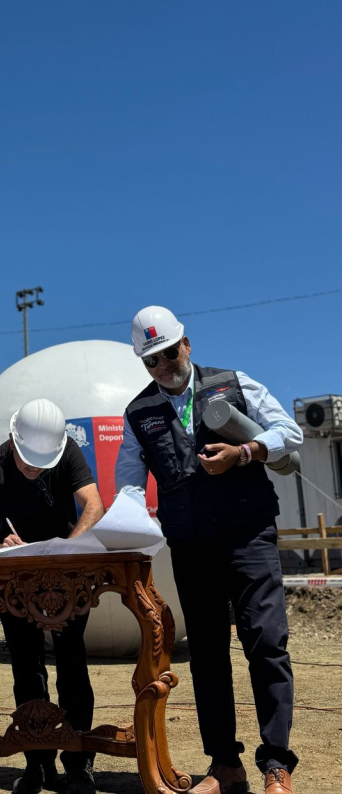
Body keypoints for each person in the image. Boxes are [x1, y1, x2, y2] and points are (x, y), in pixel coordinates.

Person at [115, 306, 304, 794]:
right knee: (207, 654)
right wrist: (127, 524)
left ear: (187, 344)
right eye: (151, 360)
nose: (162, 365)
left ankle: (276, 764)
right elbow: (130, 487)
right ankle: (225, 766)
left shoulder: (233, 384)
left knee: (265, 643)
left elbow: (289, 432)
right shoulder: (138, 414)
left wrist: (245, 453)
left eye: (168, 352)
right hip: (191, 545)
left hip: (249, 535)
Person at [0, 398, 105, 794]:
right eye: (28, 462)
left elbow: (94, 505)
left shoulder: (67, 451)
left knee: (72, 664)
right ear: (13, 440)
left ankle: (79, 763)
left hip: (66, 575)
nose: (33, 469)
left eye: (42, 464)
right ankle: (37, 760)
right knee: (26, 669)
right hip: (17, 581)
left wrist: (69, 546)